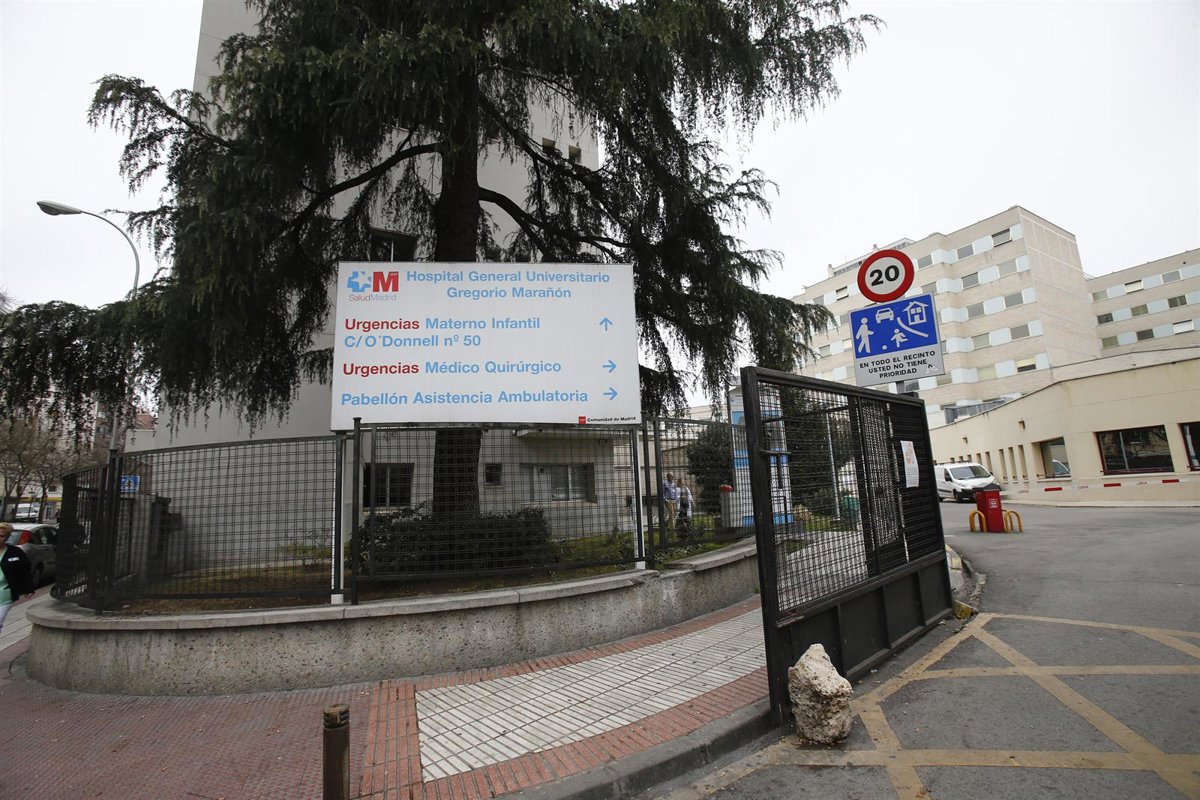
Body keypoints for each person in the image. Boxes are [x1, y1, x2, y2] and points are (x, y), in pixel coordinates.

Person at [1, 522, 36, 635]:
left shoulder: (15, 552)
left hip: (4, 595)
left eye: (1, 536)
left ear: (7, 537)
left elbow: (25, 570)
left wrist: (28, 588)